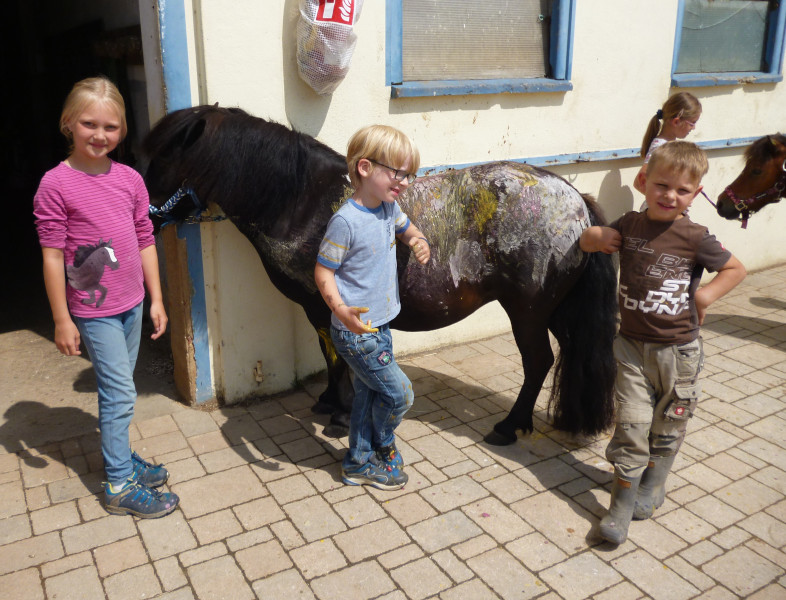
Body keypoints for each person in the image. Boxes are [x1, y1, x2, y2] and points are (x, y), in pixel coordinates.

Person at [580, 141, 746, 545]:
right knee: (633, 424)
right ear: (644, 182)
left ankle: (655, 481)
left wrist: (704, 297)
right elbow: (587, 242)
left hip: (679, 354)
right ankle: (620, 502)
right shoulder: (630, 225)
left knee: (669, 424)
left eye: (682, 190)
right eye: (661, 185)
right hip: (632, 347)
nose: (670, 195)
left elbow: (735, 268)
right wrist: (596, 234)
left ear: (695, 193)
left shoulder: (695, 236)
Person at [33, 77, 179, 518]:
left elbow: (145, 239)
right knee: (120, 394)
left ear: (123, 130)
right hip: (93, 313)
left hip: (132, 303)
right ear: (68, 124)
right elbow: (54, 256)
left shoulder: (130, 179)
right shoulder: (54, 185)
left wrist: (156, 298)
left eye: (111, 127)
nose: (100, 135)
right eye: (89, 124)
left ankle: (120, 456)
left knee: (120, 391)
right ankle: (118, 483)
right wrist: (61, 319)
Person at [314, 124, 430, 490]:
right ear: (365, 168)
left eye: (410, 173)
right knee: (399, 395)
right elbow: (322, 272)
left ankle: (358, 462)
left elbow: (407, 228)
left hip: (379, 326)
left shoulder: (388, 207)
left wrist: (418, 239)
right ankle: (383, 443)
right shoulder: (346, 222)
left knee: (368, 392)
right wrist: (341, 309)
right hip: (355, 332)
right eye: (398, 172)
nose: (406, 181)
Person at [633, 92, 702, 194]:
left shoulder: (670, 145)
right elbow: (638, 183)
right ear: (676, 122)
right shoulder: (660, 147)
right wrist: (663, 201)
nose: (694, 128)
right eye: (692, 123)